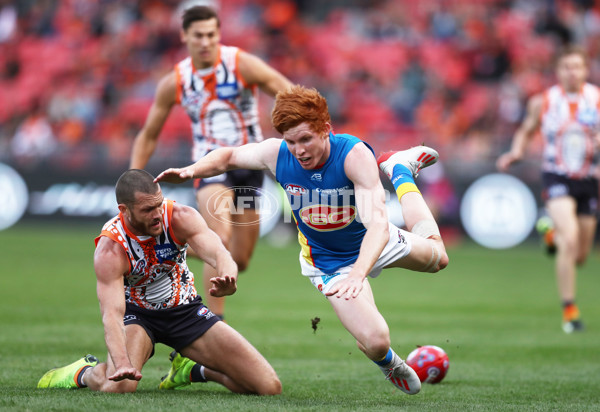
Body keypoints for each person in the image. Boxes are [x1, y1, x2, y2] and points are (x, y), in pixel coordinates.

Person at [155, 85, 449, 395]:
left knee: (440, 259)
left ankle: (400, 170)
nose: (299, 150)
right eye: (291, 141)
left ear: (326, 129)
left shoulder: (354, 155)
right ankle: (387, 362)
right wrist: (190, 171)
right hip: (327, 263)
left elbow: (378, 226)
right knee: (376, 342)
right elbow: (228, 157)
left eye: (306, 139)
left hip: (373, 243)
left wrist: (359, 274)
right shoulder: (277, 153)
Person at [37, 169, 281, 394]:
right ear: (124, 210)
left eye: (158, 204)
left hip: (186, 312)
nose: (157, 214)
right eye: (147, 210)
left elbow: (219, 252)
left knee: (268, 387)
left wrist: (228, 276)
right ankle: (84, 372)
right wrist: (121, 363)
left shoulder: (180, 217)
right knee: (119, 386)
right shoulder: (111, 249)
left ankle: (193, 370)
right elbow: (111, 315)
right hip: (138, 317)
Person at [129, 5, 293, 321]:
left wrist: (293, 126)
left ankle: (161, 247)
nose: (206, 42)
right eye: (199, 36)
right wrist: (134, 178)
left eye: (211, 35)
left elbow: (286, 90)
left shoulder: (240, 63)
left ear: (218, 34)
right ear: (184, 36)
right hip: (208, 167)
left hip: (249, 166)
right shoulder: (175, 81)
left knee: (239, 260)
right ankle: (213, 326)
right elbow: (149, 134)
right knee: (220, 238)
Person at [496, 46, 599, 333]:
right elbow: (527, 129)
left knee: (580, 255)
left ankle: (549, 233)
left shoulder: (597, 99)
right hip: (557, 177)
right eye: (566, 67)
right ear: (558, 71)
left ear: (586, 69)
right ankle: (570, 310)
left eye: (577, 67)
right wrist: (516, 152)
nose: (572, 72)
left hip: (589, 180)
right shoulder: (543, 102)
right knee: (571, 238)